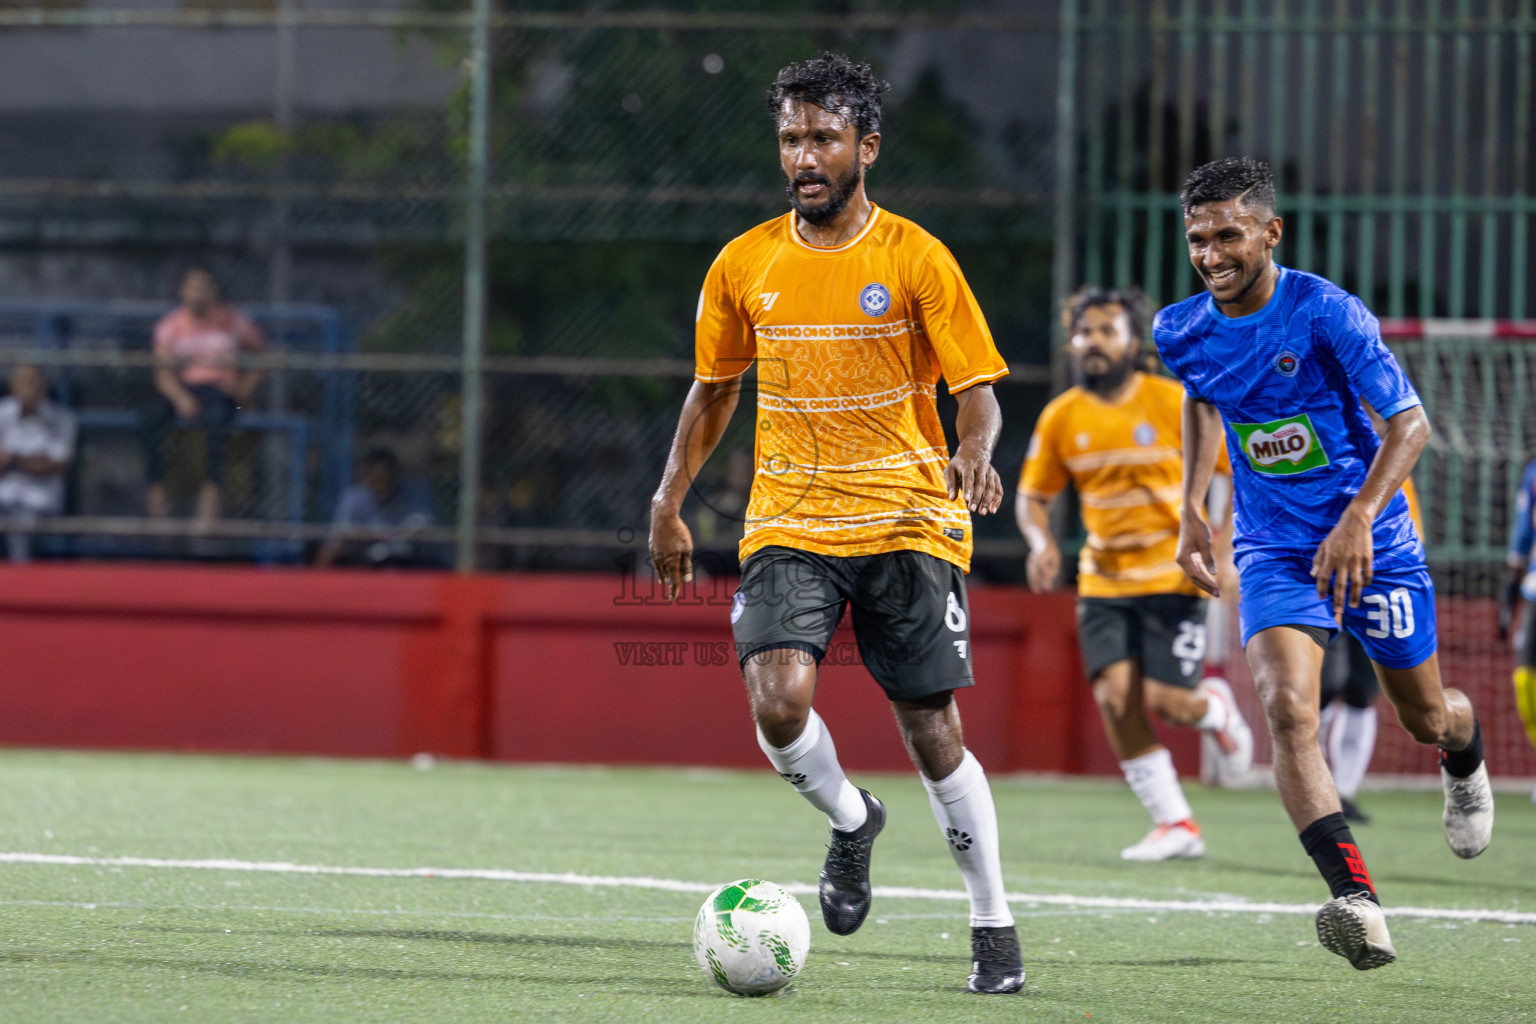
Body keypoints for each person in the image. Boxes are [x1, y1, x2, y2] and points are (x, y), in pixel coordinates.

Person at [648, 54, 1024, 994]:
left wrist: (974, 449)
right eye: (790, 139)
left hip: (908, 520)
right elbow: (712, 390)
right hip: (790, 517)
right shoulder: (744, 262)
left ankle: (993, 926)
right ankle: (854, 820)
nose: (804, 156)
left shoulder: (917, 256)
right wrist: (667, 500)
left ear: (867, 146)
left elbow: (976, 391)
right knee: (777, 705)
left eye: (822, 137)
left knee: (932, 730)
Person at [1157, 157, 1493, 971]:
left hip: (1374, 543)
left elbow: (1409, 426)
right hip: (1272, 546)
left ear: (1271, 232)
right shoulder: (1180, 328)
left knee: (1423, 717)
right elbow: (1203, 396)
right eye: (1199, 238)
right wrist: (1194, 503)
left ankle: (1465, 747)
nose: (1212, 254)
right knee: (1286, 709)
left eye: (1230, 234)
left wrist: (1356, 519)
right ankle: (1356, 899)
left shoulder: (1327, 313)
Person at [1018, 286, 1253, 863]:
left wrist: (1222, 545)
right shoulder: (1061, 416)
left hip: (1174, 575)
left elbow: (1234, 469)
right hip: (1103, 580)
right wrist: (1041, 541)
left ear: (1133, 341)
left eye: (1106, 330)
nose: (1092, 342)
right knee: (1115, 698)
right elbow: (1032, 497)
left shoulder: (1174, 401)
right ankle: (1176, 823)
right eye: (1083, 332)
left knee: (1170, 702)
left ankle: (1214, 708)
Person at [143, 265, 266, 526]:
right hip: (183, 388)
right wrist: (180, 398)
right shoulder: (170, 325)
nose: (198, 294)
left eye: (204, 288)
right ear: (183, 292)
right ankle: (157, 491)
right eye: (193, 288)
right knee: (150, 416)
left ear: (214, 291)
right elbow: (162, 373)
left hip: (220, 390)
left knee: (220, 418)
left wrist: (245, 387)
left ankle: (211, 493)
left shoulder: (233, 320)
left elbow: (264, 355)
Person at [0, 365, 76, 562]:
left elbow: (56, 465)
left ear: (44, 387)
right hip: (3, 493)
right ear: (12, 387)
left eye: (34, 382)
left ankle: (20, 581)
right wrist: (32, 461)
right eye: (24, 383)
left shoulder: (62, 418)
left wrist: (13, 460)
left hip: (40, 497)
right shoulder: (2, 413)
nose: (29, 388)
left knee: (20, 517)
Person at [316, 447, 437, 568]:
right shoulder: (354, 496)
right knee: (330, 551)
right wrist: (367, 536)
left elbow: (418, 526)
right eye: (374, 476)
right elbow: (343, 531)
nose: (379, 482)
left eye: (384, 476)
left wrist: (390, 537)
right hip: (363, 550)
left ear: (394, 475)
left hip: (401, 551)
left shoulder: (413, 494)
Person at [1499, 457, 1536, 802]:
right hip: (1534, 590)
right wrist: (1508, 602)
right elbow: (1523, 533)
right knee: (1525, 680)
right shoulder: (1533, 472)